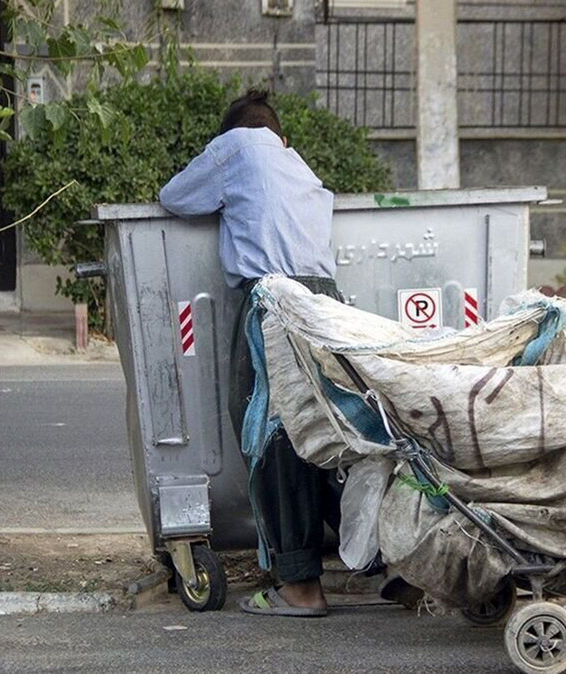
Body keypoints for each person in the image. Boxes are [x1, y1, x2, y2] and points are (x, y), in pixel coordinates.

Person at [159, 90, 343, 617]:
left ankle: (300, 586)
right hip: (327, 301)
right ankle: (393, 565)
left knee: (273, 436)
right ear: (283, 135)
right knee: (333, 435)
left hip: (275, 302)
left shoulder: (237, 146)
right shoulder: (297, 163)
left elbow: (176, 196)